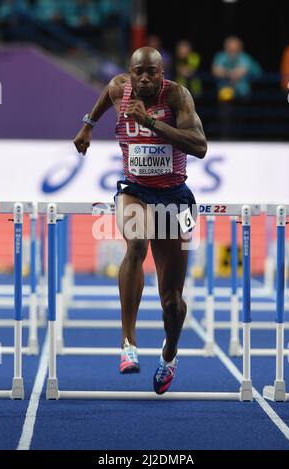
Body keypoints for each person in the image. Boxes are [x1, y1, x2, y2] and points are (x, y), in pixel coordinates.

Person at [73, 47, 207, 395]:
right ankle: (127, 342)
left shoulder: (177, 96)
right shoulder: (120, 89)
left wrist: (150, 122)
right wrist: (88, 125)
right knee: (135, 245)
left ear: (162, 73)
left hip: (175, 196)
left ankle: (170, 353)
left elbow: (200, 145)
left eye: (152, 72)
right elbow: (106, 96)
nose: (145, 78)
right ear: (129, 74)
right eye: (138, 73)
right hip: (136, 189)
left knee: (172, 303)